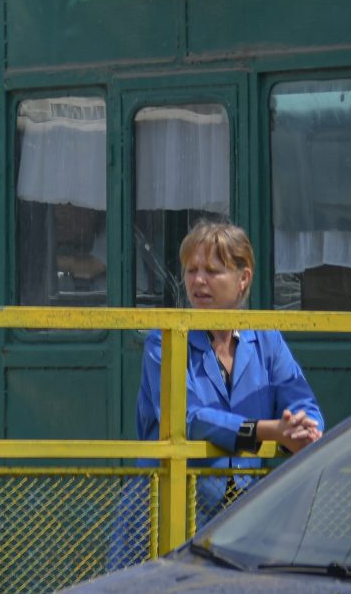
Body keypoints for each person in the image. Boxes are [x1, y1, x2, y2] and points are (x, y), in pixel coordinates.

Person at [137, 221, 323, 521]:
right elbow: (189, 419)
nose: (198, 281)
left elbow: (301, 399)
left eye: (212, 271)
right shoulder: (164, 340)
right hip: (170, 512)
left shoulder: (267, 338)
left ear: (243, 278)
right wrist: (269, 431)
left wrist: (306, 427)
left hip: (245, 516)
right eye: (191, 270)